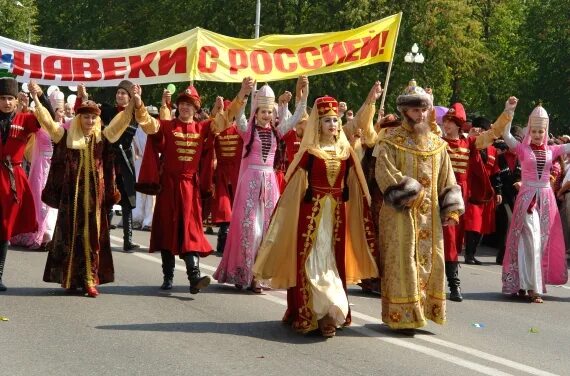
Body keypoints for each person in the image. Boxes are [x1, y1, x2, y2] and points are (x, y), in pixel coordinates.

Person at [253, 85, 381, 338]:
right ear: (318, 124)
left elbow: (357, 182)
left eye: (336, 120)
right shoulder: (309, 154)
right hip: (311, 216)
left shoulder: (346, 153)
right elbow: (292, 190)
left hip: (336, 218)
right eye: (327, 121)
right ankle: (310, 312)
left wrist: (370, 99)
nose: (333, 124)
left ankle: (330, 313)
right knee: (310, 262)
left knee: (332, 261)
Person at [375, 81, 464, 330]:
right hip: (399, 215)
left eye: (424, 110)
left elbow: (448, 176)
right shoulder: (390, 140)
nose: (420, 114)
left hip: (431, 217)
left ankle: (422, 312)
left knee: (429, 261)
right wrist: (409, 193)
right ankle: (403, 317)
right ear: (405, 111)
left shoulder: (437, 143)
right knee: (403, 261)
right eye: (415, 110)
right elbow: (384, 172)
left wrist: (451, 208)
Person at [30, 81, 131, 297]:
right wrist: (36, 99)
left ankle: (89, 279)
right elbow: (48, 123)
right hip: (72, 198)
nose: (90, 120)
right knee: (71, 237)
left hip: (95, 197)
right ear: (79, 118)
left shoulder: (102, 137)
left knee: (92, 237)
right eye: (86, 116)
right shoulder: (67, 137)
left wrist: (134, 105)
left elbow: (120, 124)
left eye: (93, 117)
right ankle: (70, 278)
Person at [213, 76, 308, 293]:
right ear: (256, 112)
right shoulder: (248, 131)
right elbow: (239, 115)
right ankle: (242, 272)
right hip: (250, 184)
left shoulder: (277, 131)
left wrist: (303, 96)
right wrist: (245, 93)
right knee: (250, 229)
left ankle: (257, 277)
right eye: (263, 111)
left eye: (269, 112)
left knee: (267, 231)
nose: (266, 116)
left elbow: (294, 119)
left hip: (269, 185)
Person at [134, 84, 225, 294]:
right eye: (182, 104)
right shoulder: (167, 126)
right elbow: (148, 124)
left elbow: (224, 120)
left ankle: (194, 276)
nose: (185, 108)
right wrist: (138, 102)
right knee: (167, 229)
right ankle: (168, 276)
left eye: (189, 105)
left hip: (190, 188)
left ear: (196, 108)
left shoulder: (203, 128)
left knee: (190, 230)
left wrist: (243, 95)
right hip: (168, 186)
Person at [440, 100, 515, 301]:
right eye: (445, 121)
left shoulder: (469, 143)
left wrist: (507, 111)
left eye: (450, 121)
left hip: (457, 196)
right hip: (437, 192)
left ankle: (454, 284)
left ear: (458, 125)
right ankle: (437, 283)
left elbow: (493, 134)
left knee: (453, 239)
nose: (446, 125)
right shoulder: (436, 141)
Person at [501, 104, 569, 303]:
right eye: (535, 131)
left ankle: (525, 284)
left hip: (546, 200)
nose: (538, 134)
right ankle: (533, 289)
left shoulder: (552, 150)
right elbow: (506, 135)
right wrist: (509, 111)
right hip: (527, 200)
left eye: (541, 131)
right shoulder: (522, 149)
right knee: (530, 241)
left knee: (540, 243)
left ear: (546, 131)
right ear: (529, 131)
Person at [79, 81, 140, 252]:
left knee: (127, 200)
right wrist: (84, 96)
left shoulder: (135, 114)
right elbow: (89, 111)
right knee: (106, 198)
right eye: (119, 92)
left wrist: (138, 99)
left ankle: (128, 240)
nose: (120, 96)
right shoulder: (106, 110)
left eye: (124, 93)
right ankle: (101, 238)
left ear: (129, 97)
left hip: (125, 162)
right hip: (108, 160)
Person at [0, 77, 44, 291]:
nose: (6, 102)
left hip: (12, 179)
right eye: (2, 98)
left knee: (5, 229)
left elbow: (48, 122)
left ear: (16, 100)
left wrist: (38, 96)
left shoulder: (25, 119)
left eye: (10, 98)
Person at [209, 99, 244, 253]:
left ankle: (236, 243)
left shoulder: (241, 130)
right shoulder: (217, 130)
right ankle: (222, 242)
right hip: (222, 172)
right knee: (224, 207)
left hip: (238, 173)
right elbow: (207, 128)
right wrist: (216, 109)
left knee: (238, 206)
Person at [131, 105, 157, 231]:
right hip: (140, 161)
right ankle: (137, 218)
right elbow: (134, 145)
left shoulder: (155, 129)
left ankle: (149, 220)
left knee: (150, 193)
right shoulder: (138, 129)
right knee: (140, 191)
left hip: (152, 161)